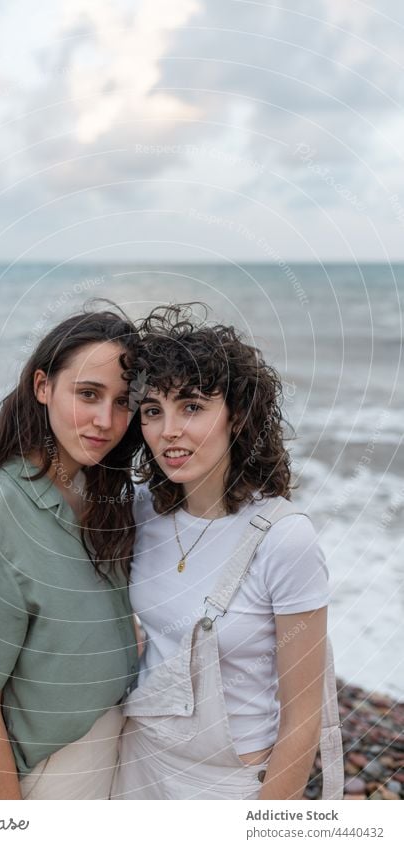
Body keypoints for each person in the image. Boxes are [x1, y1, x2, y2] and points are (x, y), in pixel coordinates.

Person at [112, 303, 343, 800]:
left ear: (236, 418)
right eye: (153, 411)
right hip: (137, 765)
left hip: (227, 785)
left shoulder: (284, 538)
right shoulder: (142, 512)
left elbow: (303, 718)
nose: (169, 430)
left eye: (192, 406)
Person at [0, 305, 143, 800]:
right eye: (88, 394)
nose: (105, 420)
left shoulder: (102, 493)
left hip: (114, 749)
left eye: (123, 401)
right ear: (43, 386)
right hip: (44, 776)